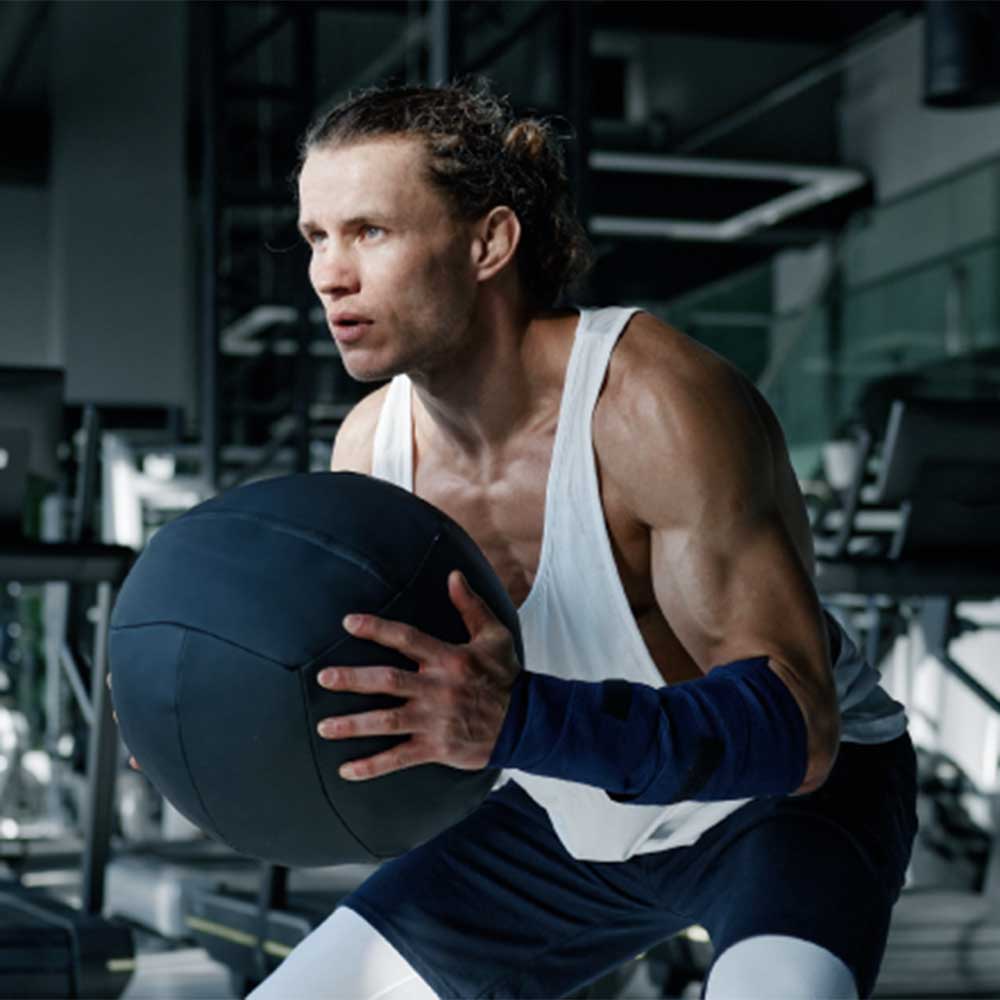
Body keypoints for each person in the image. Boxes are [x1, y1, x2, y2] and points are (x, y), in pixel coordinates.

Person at [247, 81, 916, 1000]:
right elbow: (381, 689)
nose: (328, 273)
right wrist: (223, 705)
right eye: (318, 237)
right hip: (569, 819)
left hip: (781, 810)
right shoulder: (369, 447)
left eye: (371, 232)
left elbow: (797, 730)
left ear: (488, 243)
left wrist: (517, 721)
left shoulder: (650, 405)